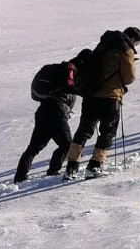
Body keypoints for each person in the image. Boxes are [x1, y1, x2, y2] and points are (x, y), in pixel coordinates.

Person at [64, 27, 140, 180]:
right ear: (132, 39)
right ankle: (95, 165)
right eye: (137, 43)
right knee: (108, 131)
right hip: (110, 96)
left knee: (84, 130)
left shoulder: (102, 45)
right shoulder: (125, 49)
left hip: (91, 95)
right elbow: (129, 78)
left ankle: (71, 168)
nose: (136, 46)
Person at [14, 49, 93, 183]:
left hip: (43, 110)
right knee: (67, 144)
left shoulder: (63, 69)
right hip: (56, 112)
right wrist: (87, 92)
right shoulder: (70, 70)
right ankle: (53, 170)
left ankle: (20, 176)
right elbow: (69, 87)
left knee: (33, 147)